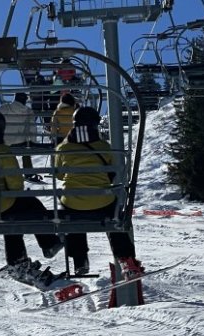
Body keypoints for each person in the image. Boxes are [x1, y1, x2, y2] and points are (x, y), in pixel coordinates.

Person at [0, 110, 64, 283]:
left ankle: (18, 261)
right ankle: (48, 243)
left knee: (11, 215)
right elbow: (15, 184)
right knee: (30, 203)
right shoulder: (1, 150)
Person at [55, 106, 141, 278]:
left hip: (73, 203)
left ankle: (80, 261)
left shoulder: (63, 148)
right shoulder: (103, 146)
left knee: (71, 217)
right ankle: (126, 260)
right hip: (102, 203)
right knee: (116, 217)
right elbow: (114, 169)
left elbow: (58, 174)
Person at [0, 92, 41, 182]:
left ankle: (5, 173)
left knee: (4, 154)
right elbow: (32, 128)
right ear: (25, 100)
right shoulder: (28, 111)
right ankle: (28, 172)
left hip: (4, 141)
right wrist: (33, 143)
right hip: (19, 141)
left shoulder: (5, 108)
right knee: (26, 150)